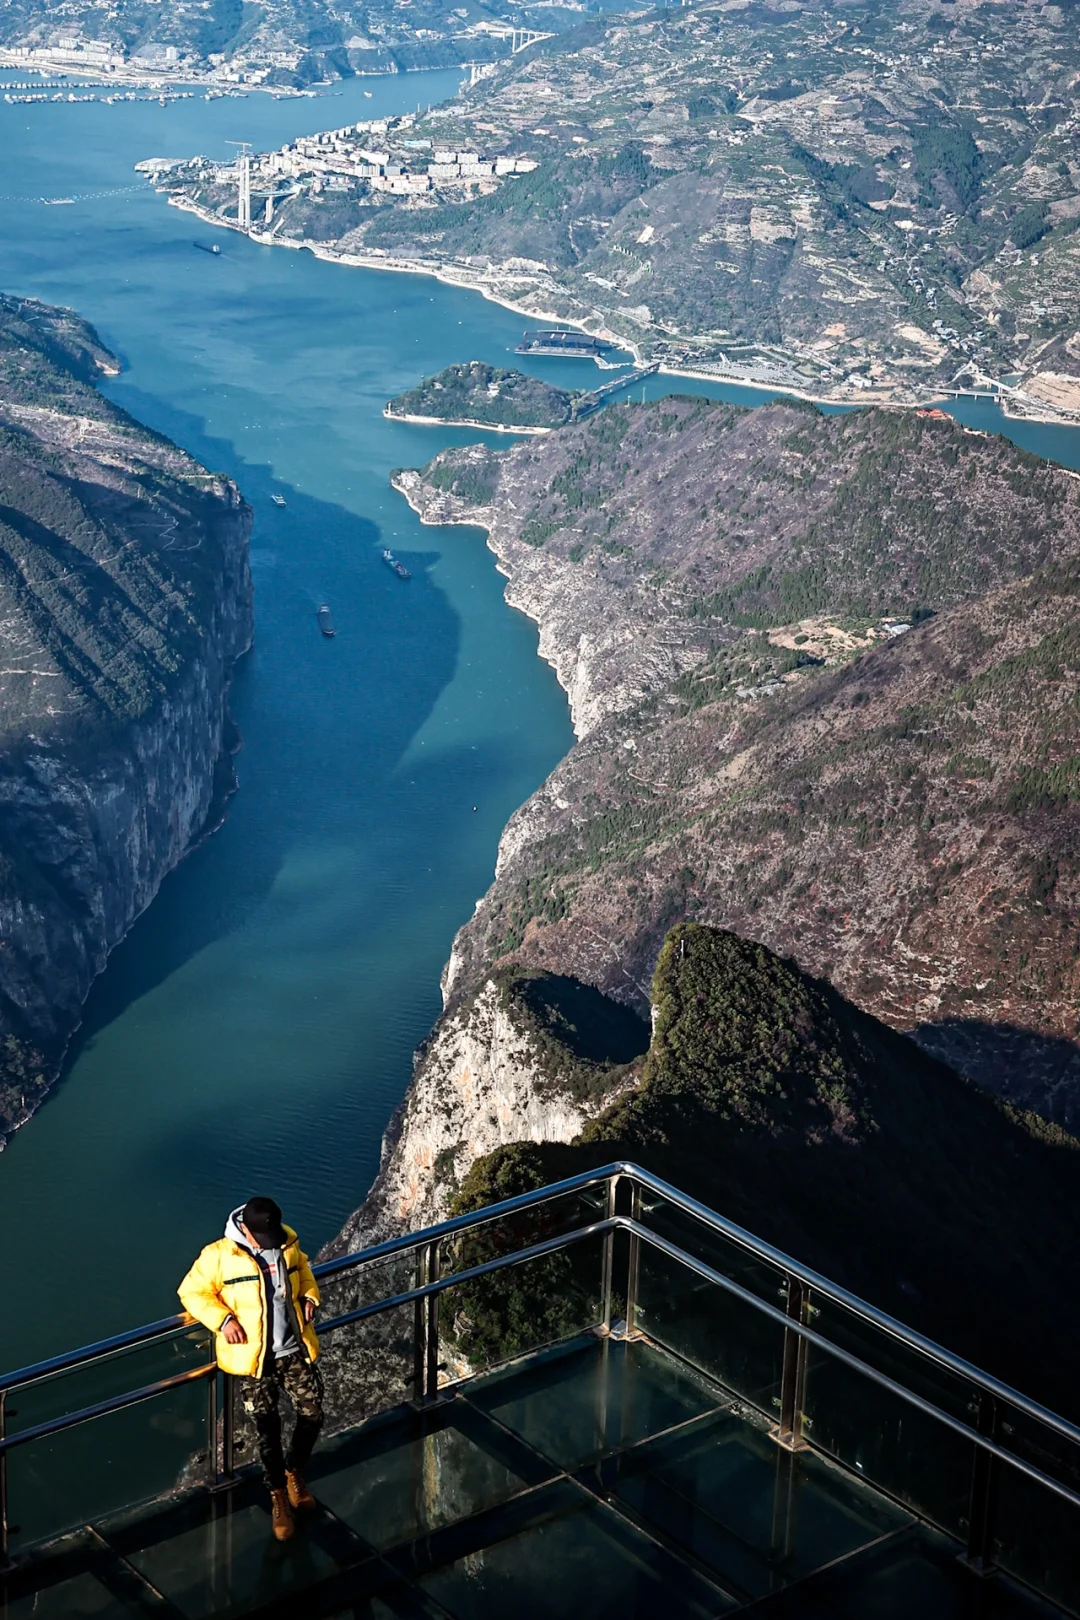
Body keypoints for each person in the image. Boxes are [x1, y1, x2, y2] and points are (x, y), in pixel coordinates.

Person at [178, 1196, 323, 1542]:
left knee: (313, 1412)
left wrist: (310, 1297)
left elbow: (303, 1270)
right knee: (266, 1428)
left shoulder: (286, 1240)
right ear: (244, 1228)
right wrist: (223, 1319)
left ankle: (294, 1473)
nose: (271, 1240)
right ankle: (278, 1497)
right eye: (264, 1235)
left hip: (293, 1349)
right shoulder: (219, 1256)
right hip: (253, 1360)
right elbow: (192, 1292)